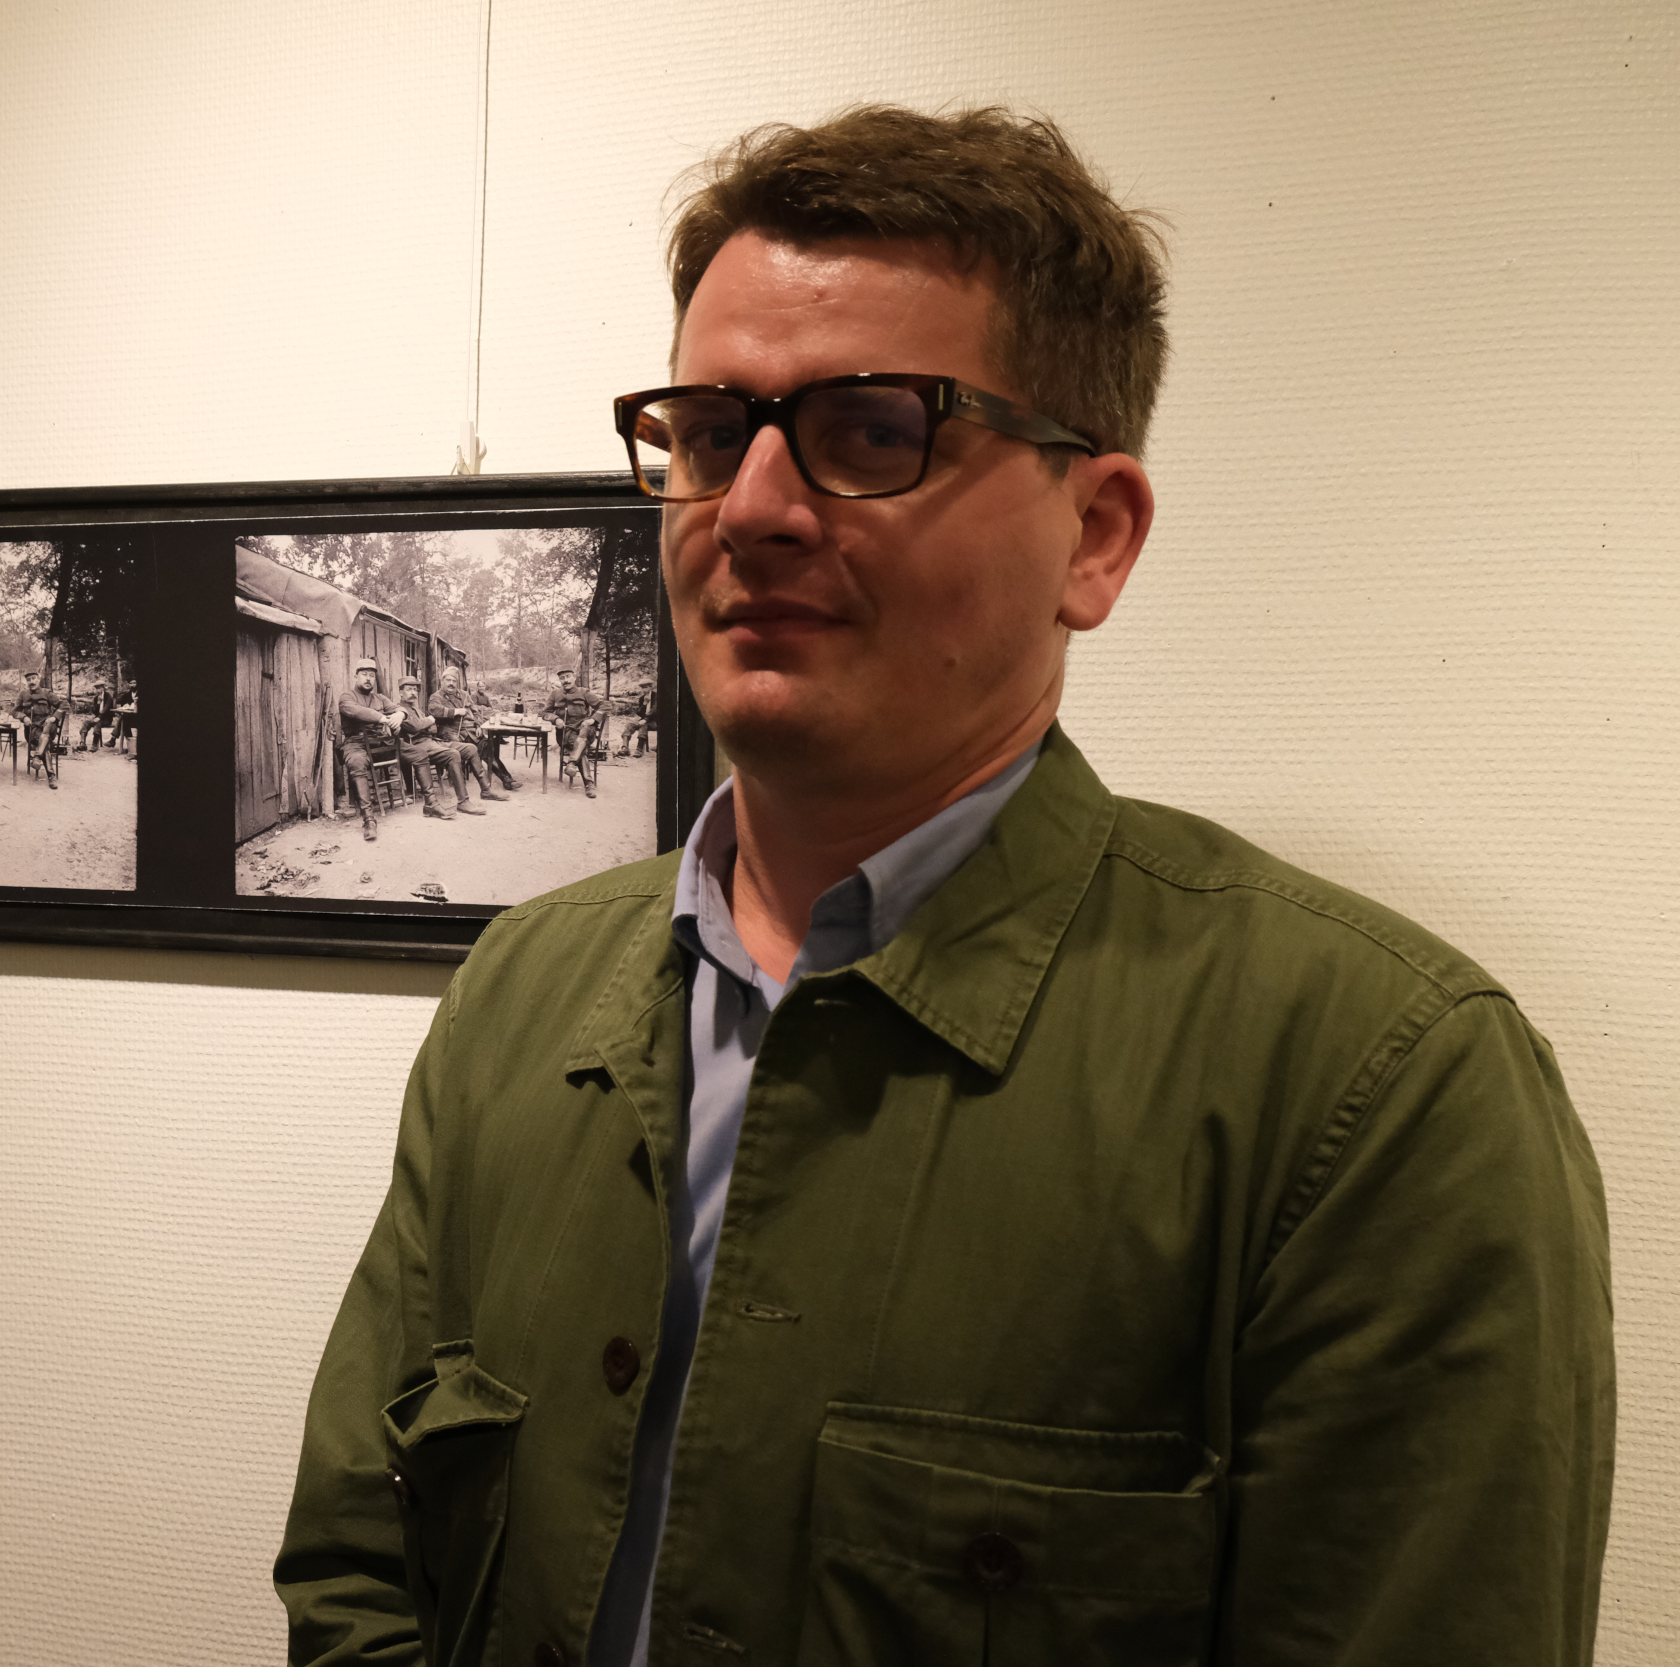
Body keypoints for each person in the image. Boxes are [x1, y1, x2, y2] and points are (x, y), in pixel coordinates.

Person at [277, 104, 1612, 1667]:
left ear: (1094, 538)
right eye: (712, 433)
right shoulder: (523, 992)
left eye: (871, 430)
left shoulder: (1373, 1092)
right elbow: (361, 1570)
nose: (754, 508)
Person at [395, 675, 483, 819]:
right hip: (418, 746)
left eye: (415, 690)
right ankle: (463, 801)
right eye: (409, 689)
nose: (413, 693)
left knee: (470, 748)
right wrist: (427, 721)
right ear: (400, 693)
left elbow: (433, 728)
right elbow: (414, 727)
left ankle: (485, 789)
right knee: (453, 754)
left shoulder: (416, 709)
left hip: (432, 741)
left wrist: (425, 724)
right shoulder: (399, 710)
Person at [335, 659, 404, 842]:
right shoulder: (346, 697)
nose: (368, 679)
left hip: (378, 744)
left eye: (372, 676)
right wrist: (381, 717)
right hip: (355, 742)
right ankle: (369, 819)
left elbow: (397, 707)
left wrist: (399, 714)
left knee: (408, 749)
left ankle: (426, 800)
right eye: (364, 675)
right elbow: (356, 712)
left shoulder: (380, 698)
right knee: (357, 762)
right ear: (356, 676)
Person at [430, 664, 513, 797]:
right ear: (442, 681)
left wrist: (478, 725)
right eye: (448, 680)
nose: (451, 683)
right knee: (457, 746)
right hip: (448, 732)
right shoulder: (436, 697)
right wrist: (456, 711)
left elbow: (475, 711)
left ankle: (506, 779)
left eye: (454, 681)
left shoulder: (463, 695)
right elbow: (435, 710)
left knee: (486, 746)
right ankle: (459, 785)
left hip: (467, 731)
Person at [543, 666, 604, 798]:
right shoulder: (555, 694)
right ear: (559, 680)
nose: (565, 680)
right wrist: (556, 719)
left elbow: (605, 706)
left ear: (574, 677)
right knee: (578, 744)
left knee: (583, 733)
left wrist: (593, 720)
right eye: (562, 678)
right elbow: (544, 712)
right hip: (566, 733)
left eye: (568, 677)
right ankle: (588, 783)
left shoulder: (584, 692)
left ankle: (573, 765)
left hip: (586, 729)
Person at [13, 672, 67, 790]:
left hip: (48, 725)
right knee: (44, 743)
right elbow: (14, 711)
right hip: (32, 730)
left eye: (33, 679)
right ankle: (51, 776)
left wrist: (55, 717)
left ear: (39, 680)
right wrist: (23, 717)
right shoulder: (23, 694)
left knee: (47, 728)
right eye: (28, 680)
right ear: (26, 682)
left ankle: (37, 757)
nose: (31, 682)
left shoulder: (47, 693)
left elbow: (64, 705)